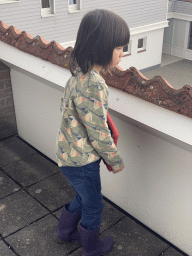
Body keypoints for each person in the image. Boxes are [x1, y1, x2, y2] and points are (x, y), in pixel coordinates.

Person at [55, 9, 129, 256]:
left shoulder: (77, 76)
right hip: (83, 161)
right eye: (119, 48)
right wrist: (115, 160)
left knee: (83, 196)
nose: (122, 54)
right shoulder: (94, 83)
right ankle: (91, 247)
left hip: (67, 155)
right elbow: (98, 132)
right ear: (101, 46)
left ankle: (64, 232)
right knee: (94, 205)